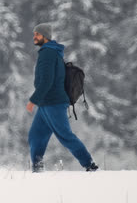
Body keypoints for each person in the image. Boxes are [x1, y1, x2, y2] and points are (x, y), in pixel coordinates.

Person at [26, 23, 98, 172]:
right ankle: (37, 169)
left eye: (37, 34)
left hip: (53, 102)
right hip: (46, 103)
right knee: (36, 136)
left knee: (65, 135)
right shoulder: (50, 52)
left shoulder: (47, 53)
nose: (34, 37)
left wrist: (33, 100)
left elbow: (47, 80)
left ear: (45, 36)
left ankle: (89, 164)